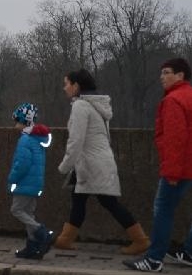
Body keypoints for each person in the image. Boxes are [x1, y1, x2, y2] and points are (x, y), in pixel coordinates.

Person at [55, 68, 148, 254]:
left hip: (92, 165)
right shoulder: (96, 105)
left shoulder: (81, 106)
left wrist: (64, 166)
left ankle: (141, 240)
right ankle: (65, 240)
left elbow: (76, 141)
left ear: (76, 86)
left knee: (109, 203)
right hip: (97, 162)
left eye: (66, 83)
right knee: (79, 199)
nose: (64, 87)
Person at [124, 57, 192, 272]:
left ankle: (154, 259)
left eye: (167, 72)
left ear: (180, 75)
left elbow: (174, 140)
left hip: (180, 168)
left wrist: (171, 172)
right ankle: (189, 251)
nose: (161, 77)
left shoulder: (173, 100)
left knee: (163, 210)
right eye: (161, 73)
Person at [7, 102, 54, 259]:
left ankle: (42, 232)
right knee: (28, 212)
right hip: (35, 184)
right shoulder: (37, 139)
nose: (15, 125)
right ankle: (32, 247)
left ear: (24, 122)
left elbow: (22, 164)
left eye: (17, 122)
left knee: (17, 210)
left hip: (25, 183)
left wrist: (12, 178)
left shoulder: (25, 140)